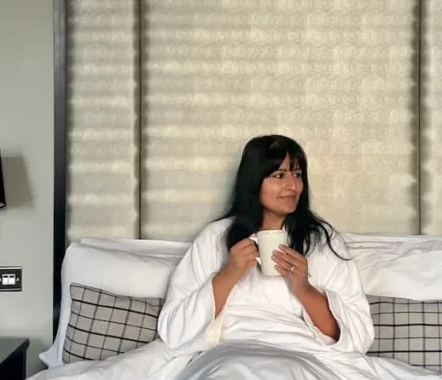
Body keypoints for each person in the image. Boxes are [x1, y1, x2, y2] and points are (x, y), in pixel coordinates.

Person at [157, 135, 374, 357]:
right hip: (229, 355)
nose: (293, 186)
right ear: (253, 181)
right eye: (279, 175)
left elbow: (360, 336)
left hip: (300, 356)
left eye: (297, 175)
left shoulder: (321, 241)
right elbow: (174, 331)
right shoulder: (215, 238)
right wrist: (228, 275)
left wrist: (303, 288)